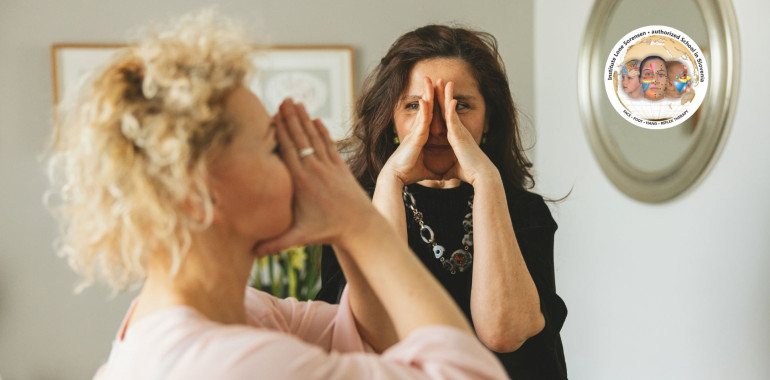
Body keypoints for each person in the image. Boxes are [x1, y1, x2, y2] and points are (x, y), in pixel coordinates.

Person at [44, 12, 508, 380]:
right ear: (197, 192)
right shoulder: (227, 364)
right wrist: (361, 224)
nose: (295, 158)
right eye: (271, 144)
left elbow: (373, 333)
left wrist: (352, 220)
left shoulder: (235, 311)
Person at [316, 24, 568, 379]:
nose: (437, 127)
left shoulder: (526, 212)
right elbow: (374, 336)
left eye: (459, 106)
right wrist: (391, 179)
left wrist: (486, 179)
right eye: (415, 106)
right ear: (390, 118)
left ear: (489, 119)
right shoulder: (350, 215)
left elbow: (503, 331)